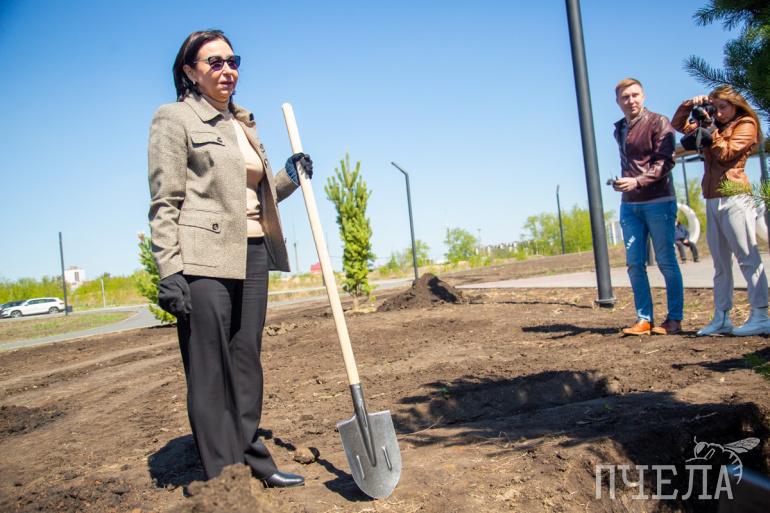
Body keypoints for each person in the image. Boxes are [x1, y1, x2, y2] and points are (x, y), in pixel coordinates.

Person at [147, 29, 313, 487]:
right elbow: (165, 202)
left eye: (232, 61)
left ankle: (254, 460)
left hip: (253, 250)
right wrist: (170, 269)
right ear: (190, 72)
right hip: (202, 259)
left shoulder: (242, 123)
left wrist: (290, 176)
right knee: (210, 368)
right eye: (214, 62)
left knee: (246, 362)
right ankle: (224, 478)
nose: (227, 70)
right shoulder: (174, 118)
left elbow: (255, 194)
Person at [672, 85, 770, 336]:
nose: (718, 113)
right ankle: (722, 317)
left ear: (735, 105)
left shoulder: (746, 124)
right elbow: (678, 125)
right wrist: (689, 105)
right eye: (714, 107)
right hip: (712, 198)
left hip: (735, 196)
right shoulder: (713, 124)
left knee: (747, 258)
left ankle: (760, 315)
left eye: (723, 107)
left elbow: (727, 153)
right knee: (720, 264)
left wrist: (711, 129)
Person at [612, 78, 683, 336]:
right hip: (630, 205)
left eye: (635, 95)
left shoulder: (658, 122)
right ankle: (644, 319)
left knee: (666, 261)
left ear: (643, 96)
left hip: (659, 201)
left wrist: (638, 181)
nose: (631, 100)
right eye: (625, 97)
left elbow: (665, 162)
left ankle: (674, 319)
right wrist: (624, 183)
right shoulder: (619, 128)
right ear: (617, 101)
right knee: (634, 264)